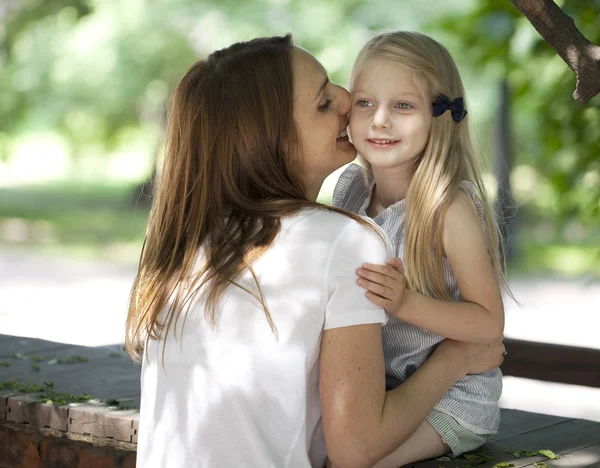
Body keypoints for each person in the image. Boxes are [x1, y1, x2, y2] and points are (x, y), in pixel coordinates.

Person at [125, 34, 505, 468]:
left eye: (402, 104)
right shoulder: (344, 232)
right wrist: (456, 356)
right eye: (325, 103)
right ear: (276, 140)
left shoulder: (194, 237)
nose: (348, 101)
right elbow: (354, 450)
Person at [333, 30, 510, 467]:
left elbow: (489, 324)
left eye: (403, 106)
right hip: (379, 391)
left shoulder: (447, 208)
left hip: (450, 398)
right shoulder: (350, 189)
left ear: (440, 115)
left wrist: (406, 302)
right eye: (365, 103)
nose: (379, 121)